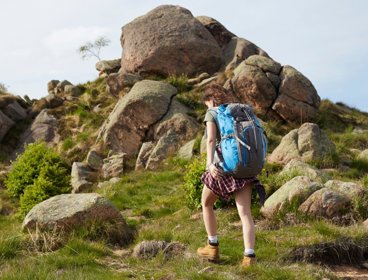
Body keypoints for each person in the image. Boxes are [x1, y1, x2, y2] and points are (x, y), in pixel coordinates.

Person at [196, 83, 260, 267]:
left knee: (206, 203)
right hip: (244, 166)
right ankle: (249, 258)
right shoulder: (239, 111)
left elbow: (210, 140)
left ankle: (212, 247)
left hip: (223, 167)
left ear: (211, 100)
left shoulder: (213, 112)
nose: (207, 107)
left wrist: (209, 164)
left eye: (206, 104)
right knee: (245, 213)